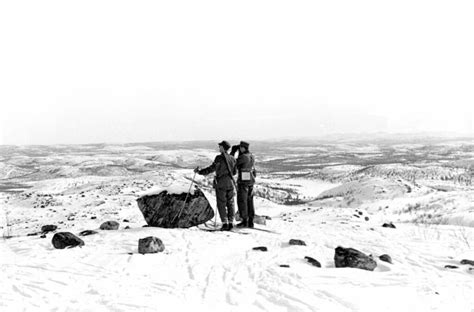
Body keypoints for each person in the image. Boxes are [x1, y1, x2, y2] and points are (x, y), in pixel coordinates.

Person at [194, 141, 236, 231]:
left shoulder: (219, 158)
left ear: (223, 148)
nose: (219, 147)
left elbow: (212, 169)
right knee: (231, 203)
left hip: (221, 183)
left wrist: (200, 172)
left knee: (221, 203)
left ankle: (225, 223)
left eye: (220, 146)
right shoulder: (232, 158)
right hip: (230, 183)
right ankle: (231, 222)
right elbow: (235, 172)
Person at [230, 140, 256, 228]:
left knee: (242, 201)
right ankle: (251, 220)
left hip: (243, 182)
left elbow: (232, 163)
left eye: (240, 148)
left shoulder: (243, 157)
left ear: (243, 148)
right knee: (250, 201)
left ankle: (244, 220)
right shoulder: (251, 155)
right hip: (251, 181)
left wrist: (233, 152)